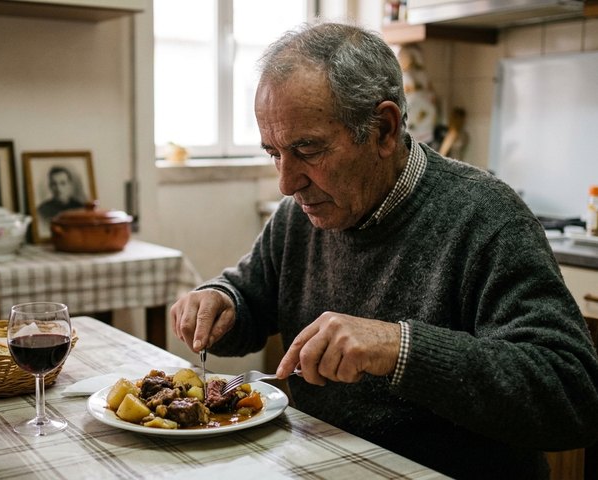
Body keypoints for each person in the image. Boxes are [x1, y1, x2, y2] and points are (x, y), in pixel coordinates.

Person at [170, 23, 598, 479]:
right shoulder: (302, 212)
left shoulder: (486, 217)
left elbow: (573, 395)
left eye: (307, 149)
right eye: (274, 152)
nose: (286, 182)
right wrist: (221, 301)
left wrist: (401, 348)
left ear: (384, 129)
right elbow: (251, 295)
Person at [36, 166, 85, 236]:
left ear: (70, 185)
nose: (58, 188)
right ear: (50, 186)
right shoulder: (43, 210)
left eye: (63, 183)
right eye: (54, 184)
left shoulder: (81, 208)